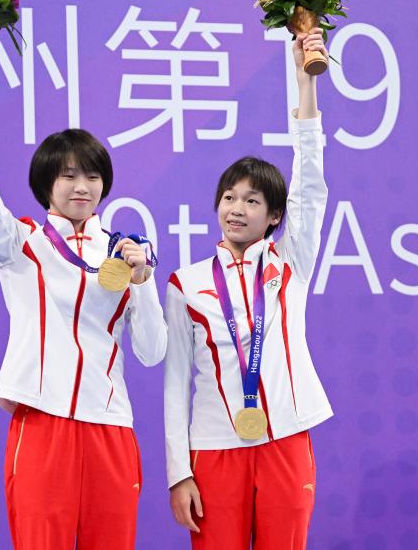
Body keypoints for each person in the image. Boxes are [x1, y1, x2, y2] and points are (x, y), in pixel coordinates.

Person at [0, 24, 167, 549]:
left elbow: (153, 351)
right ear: (46, 182)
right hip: (43, 422)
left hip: (111, 427)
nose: (81, 186)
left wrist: (143, 281)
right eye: (68, 175)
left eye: (91, 176)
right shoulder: (21, 242)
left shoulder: (125, 250)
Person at [163, 28, 332, 549]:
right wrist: (178, 471)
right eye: (229, 197)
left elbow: (310, 183)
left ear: (275, 215)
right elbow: (175, 383)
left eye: (252, 201)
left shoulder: (290, 262)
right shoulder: (186, 284)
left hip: (285, 439)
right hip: (214, 447)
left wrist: (305, 81)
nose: (237, 209)